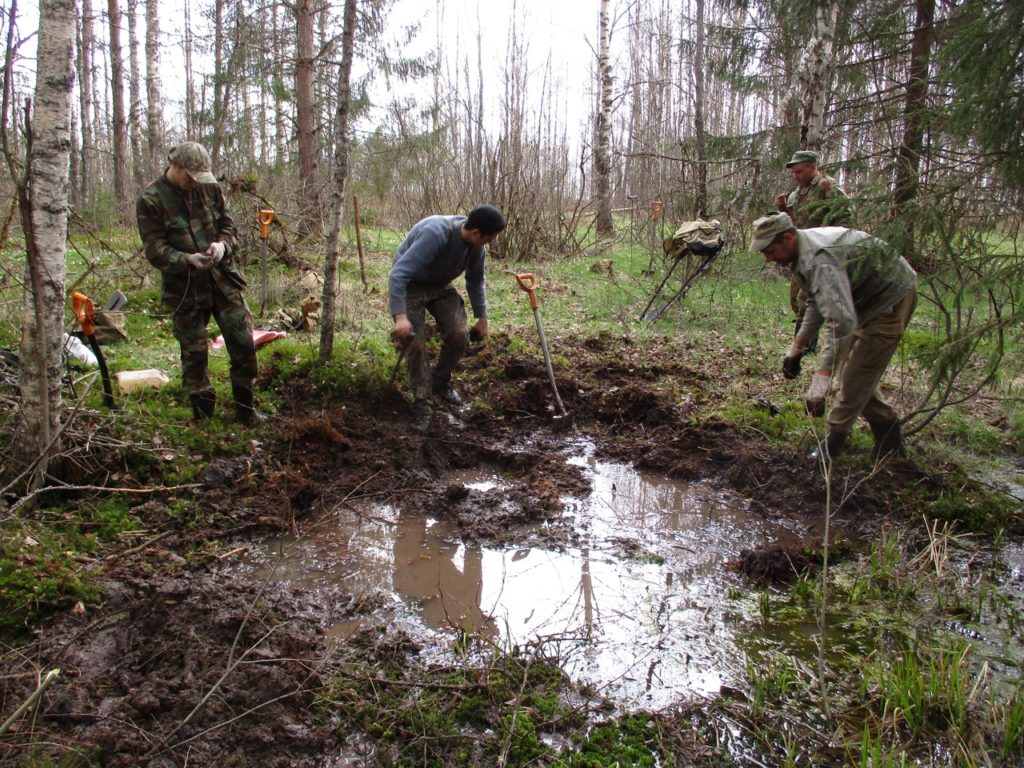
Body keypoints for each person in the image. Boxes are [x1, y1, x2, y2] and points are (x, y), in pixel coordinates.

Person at [750, 212, 917, 461]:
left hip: (889, 297)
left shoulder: (820, 261)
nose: (768, 258)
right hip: (861, 300)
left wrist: (821, 381)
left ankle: (832, 448)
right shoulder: (800, 254)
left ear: (787, 238)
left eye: (770, 251)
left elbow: (840, 323)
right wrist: (797, 348)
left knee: (854, 375)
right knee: (859, 375)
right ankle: (890, 444)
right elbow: (817, 303)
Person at [137, 141, 265, 424]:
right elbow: (154, 249)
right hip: (185, 287)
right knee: (194, 351)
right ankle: (203, 416)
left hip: (222, 279)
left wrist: (222, 247)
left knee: (243, 340)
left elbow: (229, 227)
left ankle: (246, 409)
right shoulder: (151, 199)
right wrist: (186, 260)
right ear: (177, 167)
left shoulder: (209, 188)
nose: (196, 184)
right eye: (191, 178)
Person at [388, 205, 506, 434]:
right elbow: (398, 274)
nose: (490, 242)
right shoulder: (436, 233)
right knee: (416, 344)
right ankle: (422, 404)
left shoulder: (475, 247)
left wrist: (482, 317)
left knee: (459, 335)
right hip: (411, 284)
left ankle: (439, 384)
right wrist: (400, 317)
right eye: (490, 237)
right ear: (476, 233)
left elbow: (475, 281)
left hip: (440, 286)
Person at [775, 150, 853, 337]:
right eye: (793, 173)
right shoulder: (796, 194)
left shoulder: (826, 186)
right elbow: (794, 224)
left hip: (822, 250)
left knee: (807, 298)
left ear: (812, 167)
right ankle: (806, 337)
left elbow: (846, 217)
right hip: (802, 251)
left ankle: (804, 345)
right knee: (795, 297)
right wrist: (783, 208)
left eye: (799, 172)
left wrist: (836, 246)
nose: (795, 176)